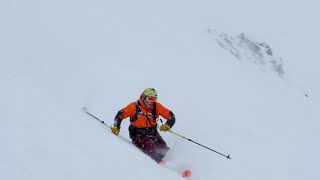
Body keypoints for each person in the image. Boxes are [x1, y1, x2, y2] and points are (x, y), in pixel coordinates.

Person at [111, 88, 176, 163]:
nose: (151, 102)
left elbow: (171, 116)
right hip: (137, 134)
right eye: (150, 99)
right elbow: (120, 115)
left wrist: (167, 125)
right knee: (151, 148)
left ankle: (173, 164)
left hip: (153, 133)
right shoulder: (134, 106)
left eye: (154, 99)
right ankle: (161, 167)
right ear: (144, 97)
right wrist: (116, 126)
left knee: (164, 148)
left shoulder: (157, 107)